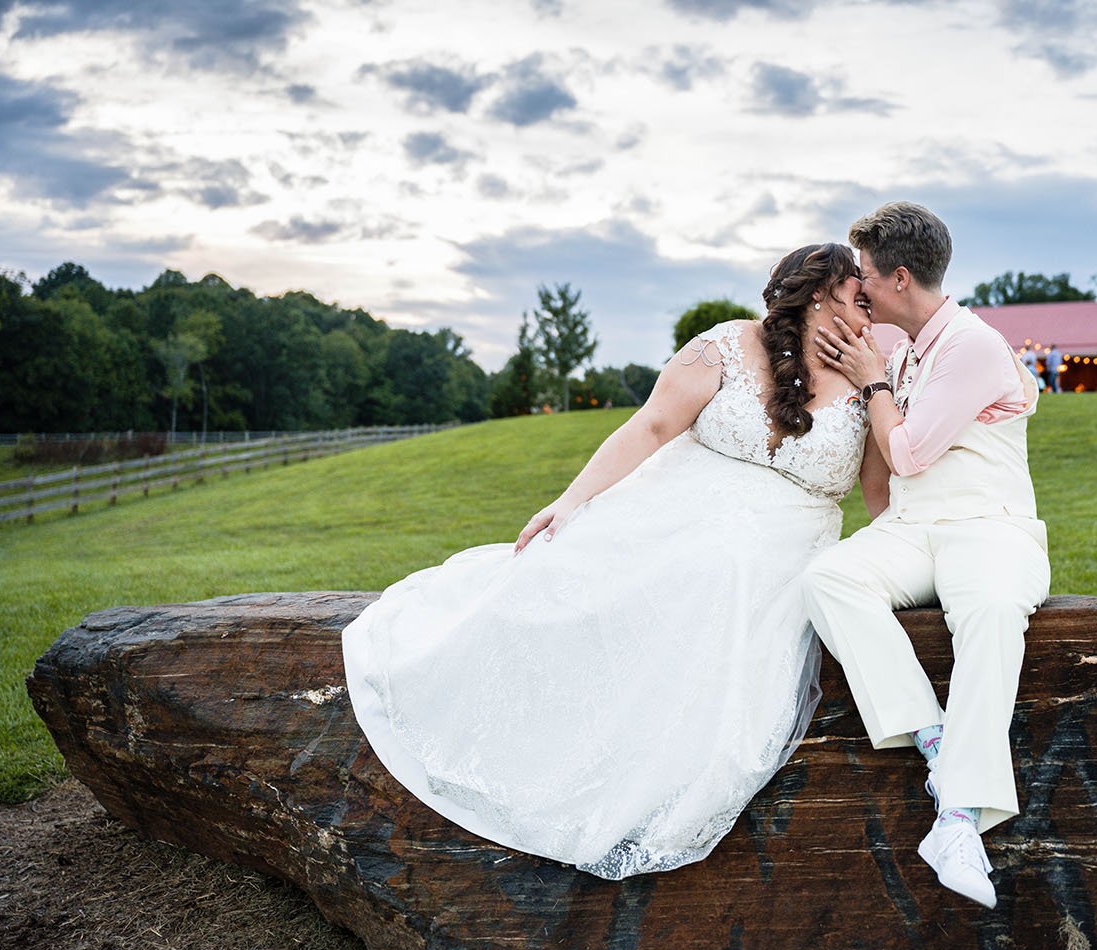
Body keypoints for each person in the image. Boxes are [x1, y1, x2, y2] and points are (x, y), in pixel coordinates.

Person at [342, 244, 874, 879]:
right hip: (675, 505)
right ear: (820, 295)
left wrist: (878, 386)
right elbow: (650, 428)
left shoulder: (873, 375)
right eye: (858, 296)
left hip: (780, 544)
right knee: (571, 575)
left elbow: (881, 493)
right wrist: (569, 501)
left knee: (719, 584)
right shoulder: (729, 345)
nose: (870, 310)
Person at [805, 202, 1050, 910]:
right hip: (916, 530)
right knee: (828, 577)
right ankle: (938, 745)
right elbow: (886, 475)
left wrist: (873, 381)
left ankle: (959, 821)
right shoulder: (903, 343)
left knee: (992, 609)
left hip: (987, 525)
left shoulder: (971, 344)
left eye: (868, 281)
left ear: (901, 279)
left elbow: (908, 450)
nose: (862, 291)